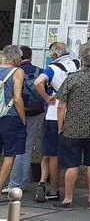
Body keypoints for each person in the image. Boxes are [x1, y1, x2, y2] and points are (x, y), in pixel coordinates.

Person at [55, 47, 90, 210]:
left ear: (82, 61)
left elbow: (61, 106)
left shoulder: (72, 78)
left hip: (72, 129)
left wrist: (60, 127)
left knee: (72, 164)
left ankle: (68, 200)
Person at [33, 41, 80, 203]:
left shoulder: (52, 68)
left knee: (52, 153)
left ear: (54, 55)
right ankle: (70, 192)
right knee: (72, 153)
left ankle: (54, 189)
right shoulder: (77, 63)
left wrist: (47, 98)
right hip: (74, 114)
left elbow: (37, 83)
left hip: (54, 114)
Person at [8, 46, 42, 194]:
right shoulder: (40, 71)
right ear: (31, 56)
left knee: (15, 149)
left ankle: (14, 183)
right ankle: (22, 182)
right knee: (27, 148)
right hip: (34, 113)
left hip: (16, 113)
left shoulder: (15, 72)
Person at [0, 45, 26, 197]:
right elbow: (17, 98)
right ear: (16, 58)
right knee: (10, 155)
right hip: (11, 117)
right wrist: (23, 119)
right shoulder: (17, 72)